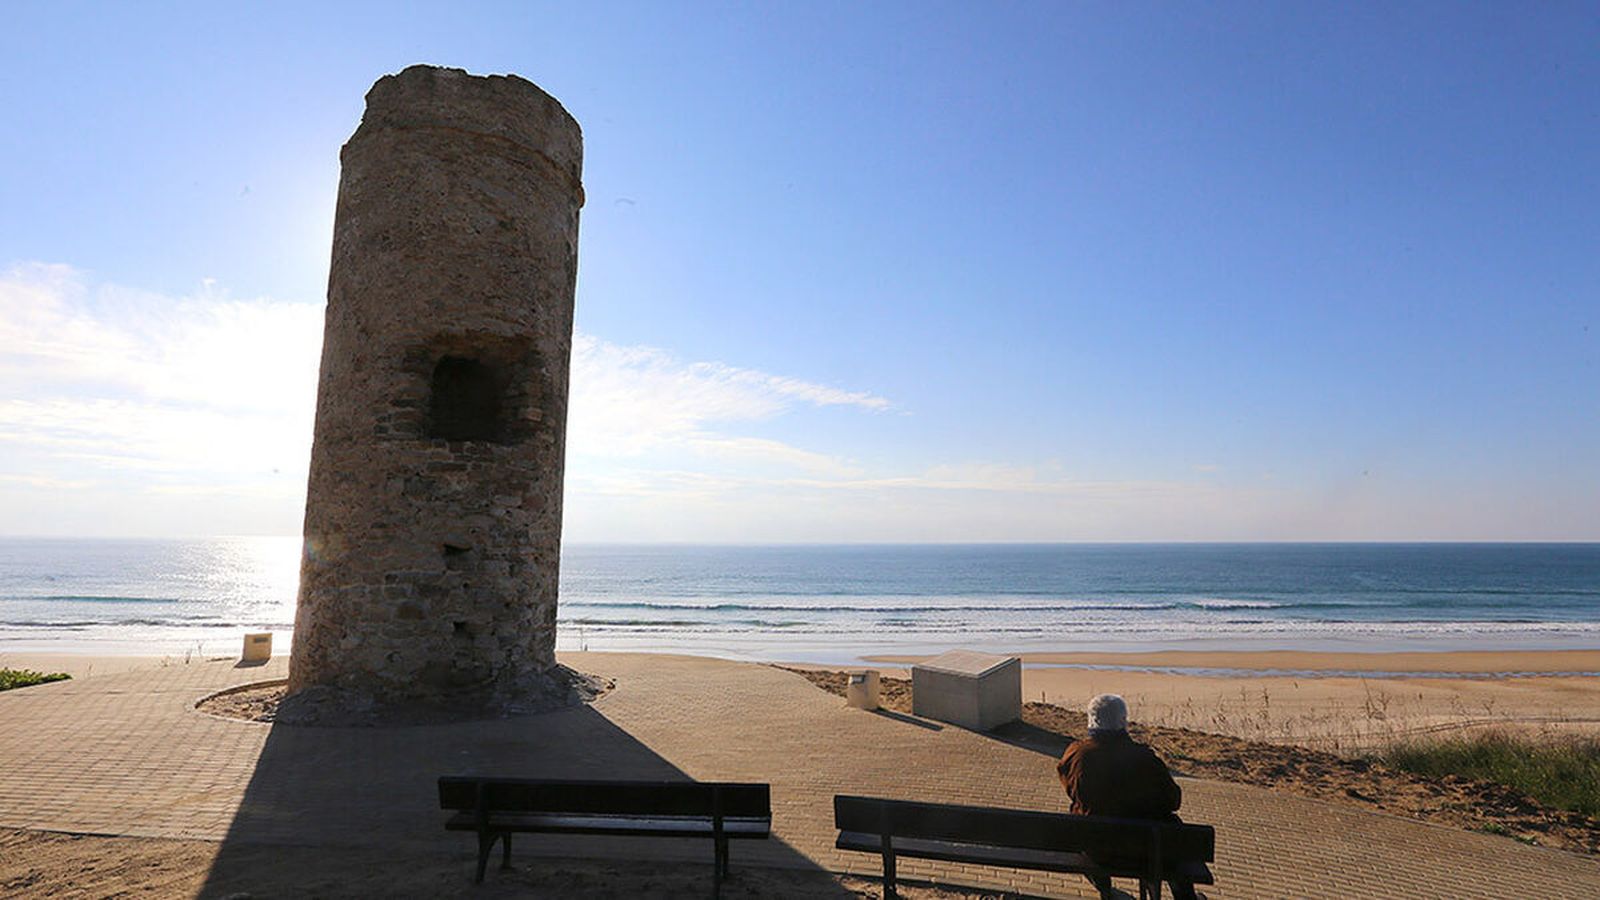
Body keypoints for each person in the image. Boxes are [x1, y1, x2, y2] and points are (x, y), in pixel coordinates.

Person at [1056, 693, 1198, 900]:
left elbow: (1072, 791)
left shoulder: (1076, 755)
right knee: (1172, 835)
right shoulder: (1144, 759)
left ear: (1091, 720)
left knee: (1080, 822)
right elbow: (1173, 801)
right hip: (1146, 850)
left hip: (1097, 850)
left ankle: (1106, 891)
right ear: (1123, 721)